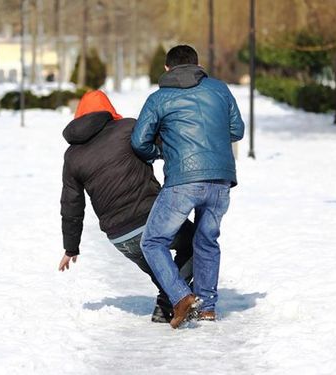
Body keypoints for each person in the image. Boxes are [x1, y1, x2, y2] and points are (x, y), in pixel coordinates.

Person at [131, 45, 245, 328]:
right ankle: (206, 307)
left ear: (167, 68)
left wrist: (160, 152)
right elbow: (237, 130)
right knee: (207, 240)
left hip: (183, 180)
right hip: (221, 179)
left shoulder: (158, 98)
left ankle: (181, 296)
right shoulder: (219, 89)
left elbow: (138, 141)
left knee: (153, 241)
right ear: (197, 65)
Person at [59, 90, 195, 323]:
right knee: (197, 242)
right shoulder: (128, 128)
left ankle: (168, 304)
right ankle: (170, 300)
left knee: (163, 273)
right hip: (153, 218)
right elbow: (166, 145)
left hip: (119, 236)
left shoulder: (72, 156)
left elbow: (71, 204)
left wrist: (71, 247)